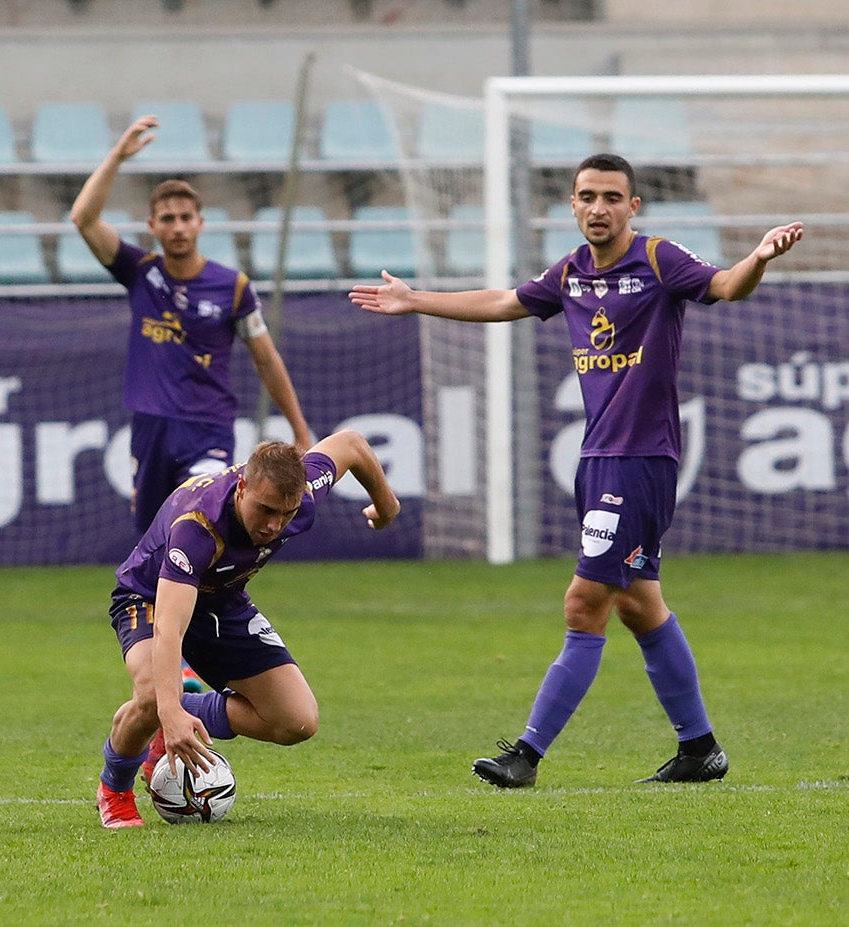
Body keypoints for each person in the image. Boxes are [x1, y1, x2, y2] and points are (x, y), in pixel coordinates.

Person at [349, 153, 803, 787]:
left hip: (640, 459)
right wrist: (415, 299)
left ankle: (526, 756)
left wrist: (757, 258)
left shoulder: (657, 259)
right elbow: (504, 300)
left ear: (633, 206)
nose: (598, 208)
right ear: (572, 204)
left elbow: (726, 286)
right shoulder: (568, 273)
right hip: (597, 459)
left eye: (612, 197)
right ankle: (699, 748)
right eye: (587, 196)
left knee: (584, 600)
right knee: (640, 606)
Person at [94, 431, 401, 827]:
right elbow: (170, 628)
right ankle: (114, 789)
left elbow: (352, 445)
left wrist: (386, 505)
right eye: (265, 509)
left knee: (297, 721)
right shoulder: (199, 526)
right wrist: (166, 709)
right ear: (241, 487)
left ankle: (179, 712)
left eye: (286, 513)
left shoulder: (303, 491)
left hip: (222, 602)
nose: (274, 525)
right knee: (154, 691)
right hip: (150, 598)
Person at [71, 114, 315, 535]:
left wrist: (299, 429)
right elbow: (83, 219)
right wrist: (117, 156)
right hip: (151, 428)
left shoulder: (233, 287)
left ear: (201, 222)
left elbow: (266, 359)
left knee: (202, 519)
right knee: (154, 541)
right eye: (167, 219)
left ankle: (221, 601)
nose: (178, 226)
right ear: (153, 227)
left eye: (186, 217)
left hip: (207, 427)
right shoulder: (140, 272)